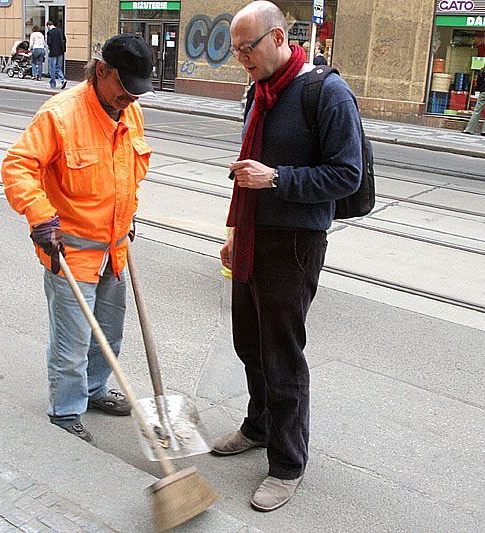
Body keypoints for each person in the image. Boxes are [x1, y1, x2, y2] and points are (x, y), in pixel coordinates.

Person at [214, 0, 362, 513]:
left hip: (294, 243)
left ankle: (287, 463)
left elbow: (348, 175)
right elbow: (245, 174)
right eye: (234, 50)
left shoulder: (325, 91)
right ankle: (258, 425)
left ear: (278, 38)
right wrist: (235, 229)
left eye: (246, 48)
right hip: (253, 234)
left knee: (282, 355)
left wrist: (277, 178)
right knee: (248, 342)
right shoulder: (259, 90)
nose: (240, 59)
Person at [0, 34, 155, 443]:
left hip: (115, 251)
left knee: (109, 333)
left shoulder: (129, 112)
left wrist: (128, 214)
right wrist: (39, 216)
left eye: (137, 92)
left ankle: (94, 388)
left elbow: (127, 171)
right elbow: (18, 166)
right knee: (72, 342)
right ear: (101, 71)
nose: (131, 99)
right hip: (71, 252)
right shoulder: (61, 115)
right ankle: (66, 411)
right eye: (125, 88)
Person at [45, 20, 67, 89]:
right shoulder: (60, 31)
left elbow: (49, 42)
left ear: (48, 26)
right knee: (58, 67)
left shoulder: (50, 32)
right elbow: (65, 40)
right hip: (60, 52)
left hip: (53, 52)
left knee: (52, 68)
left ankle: (53, 83)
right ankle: (63, 80)